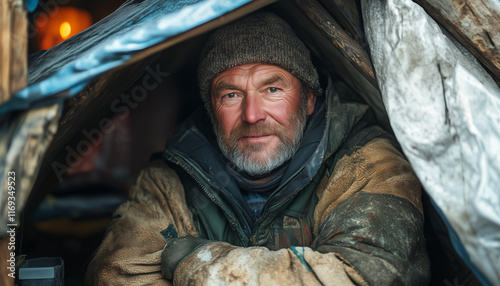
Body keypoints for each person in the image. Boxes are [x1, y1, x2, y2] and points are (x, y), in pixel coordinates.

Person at [85, 12, 430, 285]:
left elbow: (368, 276)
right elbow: (115, 275)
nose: (252, 115)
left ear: (309, 99)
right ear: (211, 110)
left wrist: (199, 262)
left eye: (272, 90)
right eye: (231, 95)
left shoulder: (368, 163)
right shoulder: (169, 181)